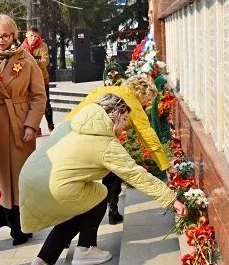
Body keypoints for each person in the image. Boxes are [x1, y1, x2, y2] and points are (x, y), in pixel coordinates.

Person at [20, 94, 188, 265]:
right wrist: (171, 199)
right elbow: (136, 175)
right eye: (124, 119)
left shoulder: (71, 123)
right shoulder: (105, 143)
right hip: (55, 184)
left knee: (79, 201)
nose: (124, 126)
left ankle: (43, 261)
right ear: (115, 116)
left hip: (31, 177)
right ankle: (86, 248)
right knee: (99, 194)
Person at [65, 75, 174, 225]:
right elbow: (149, 138)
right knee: (109, 181)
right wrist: (165, 165)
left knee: (77, 190)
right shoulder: (133, 104)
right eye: (147, 100)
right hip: (98, 144)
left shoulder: (104, 90)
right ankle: (110, 211)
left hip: (71, 137)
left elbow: (79, 109)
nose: (146, 104)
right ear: (141, 94)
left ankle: (69, 233)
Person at [0, 15, 46, 246]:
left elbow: (38, 96)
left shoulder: (26, 60)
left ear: (14, 35)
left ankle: (24, 226)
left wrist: (31, 124)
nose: (0, 40)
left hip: (19, 123)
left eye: (5, 35)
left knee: (20, 175)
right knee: (1, 175)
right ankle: (10, 223)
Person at [21, 26, 54, 134]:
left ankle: (51, 125)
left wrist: (32, 64)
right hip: (28, 80)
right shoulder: (22, 47)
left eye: (35, 36)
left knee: (45, 103)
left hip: (42, 79)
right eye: (31, 35)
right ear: (26, 35)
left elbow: (45, 61)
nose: (33, 38)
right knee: (31, 104)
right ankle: (36, 128)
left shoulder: (43, 46)